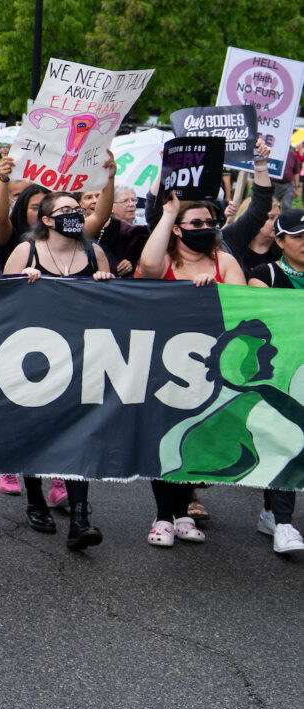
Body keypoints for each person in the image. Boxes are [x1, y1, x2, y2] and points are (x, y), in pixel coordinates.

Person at [3, 192, 113, 550]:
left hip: (83, 356)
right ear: (47, 220)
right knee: (36, 429)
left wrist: (108, 283)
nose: (74, 215)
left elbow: (111, 303)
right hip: (34, 356)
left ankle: (80, 517)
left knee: (80, 432)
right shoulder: (27, 251)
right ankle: (35, 499)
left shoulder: (93, 252)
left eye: (77, 210)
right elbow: (0, 301)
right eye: (64, 211)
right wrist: (22, 281)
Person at [137, 194, 244, 546]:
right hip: (165, 365)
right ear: (178, 229)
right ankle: (162, 517)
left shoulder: (223, 261)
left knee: (193, 439)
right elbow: (149, 266)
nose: (204, 228)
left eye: (210, 223)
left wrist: (218, 292)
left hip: (210, 369)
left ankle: (182, 512)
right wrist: (168, 213)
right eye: (195, 223)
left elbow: (245, 307)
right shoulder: (165, 258)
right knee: (164, 439)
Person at [242, 208, 304, 555]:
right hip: (282, 376)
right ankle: (283, 523)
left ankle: (270, 512)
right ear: (279, 241)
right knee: (286, 441)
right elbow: (261, 321)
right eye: (297, 236)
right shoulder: (262, 273)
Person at [223, 139, 279, 278]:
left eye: (278, 217)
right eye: (270, 218)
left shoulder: (283, 248)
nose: (277, 223)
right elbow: (259, 209)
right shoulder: (233, 244)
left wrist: (261, 164)